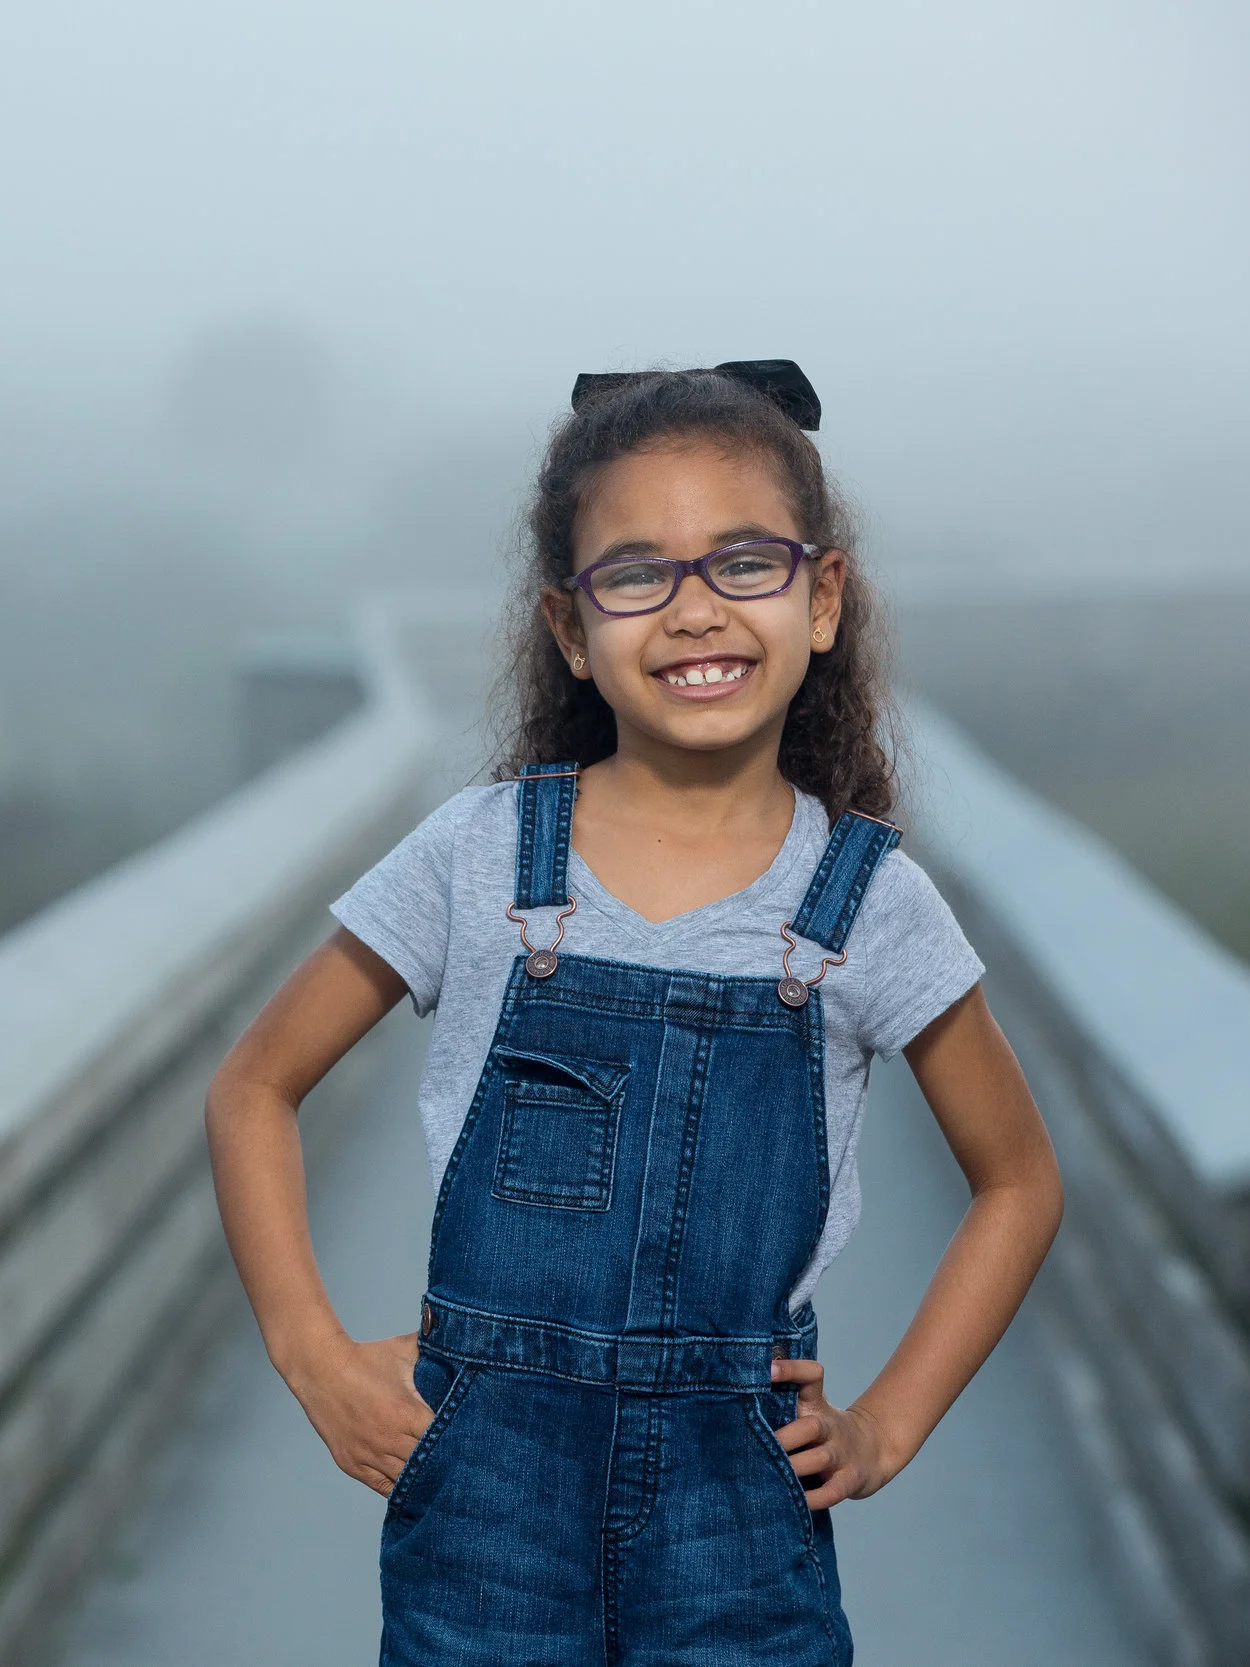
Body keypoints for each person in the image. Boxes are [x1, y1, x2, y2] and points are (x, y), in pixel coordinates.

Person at [203, 362, 1064, 1665]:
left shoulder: (871, 902)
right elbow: (253, 1086)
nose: (694, 609)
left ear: (823, 598)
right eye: (636, 574)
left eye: (745, 562)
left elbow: (1019, 1180)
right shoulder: (481, 854)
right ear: (570, 626)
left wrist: (886, 1425)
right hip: (485, 1513)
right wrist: (311, 1353)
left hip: (740, 1520)